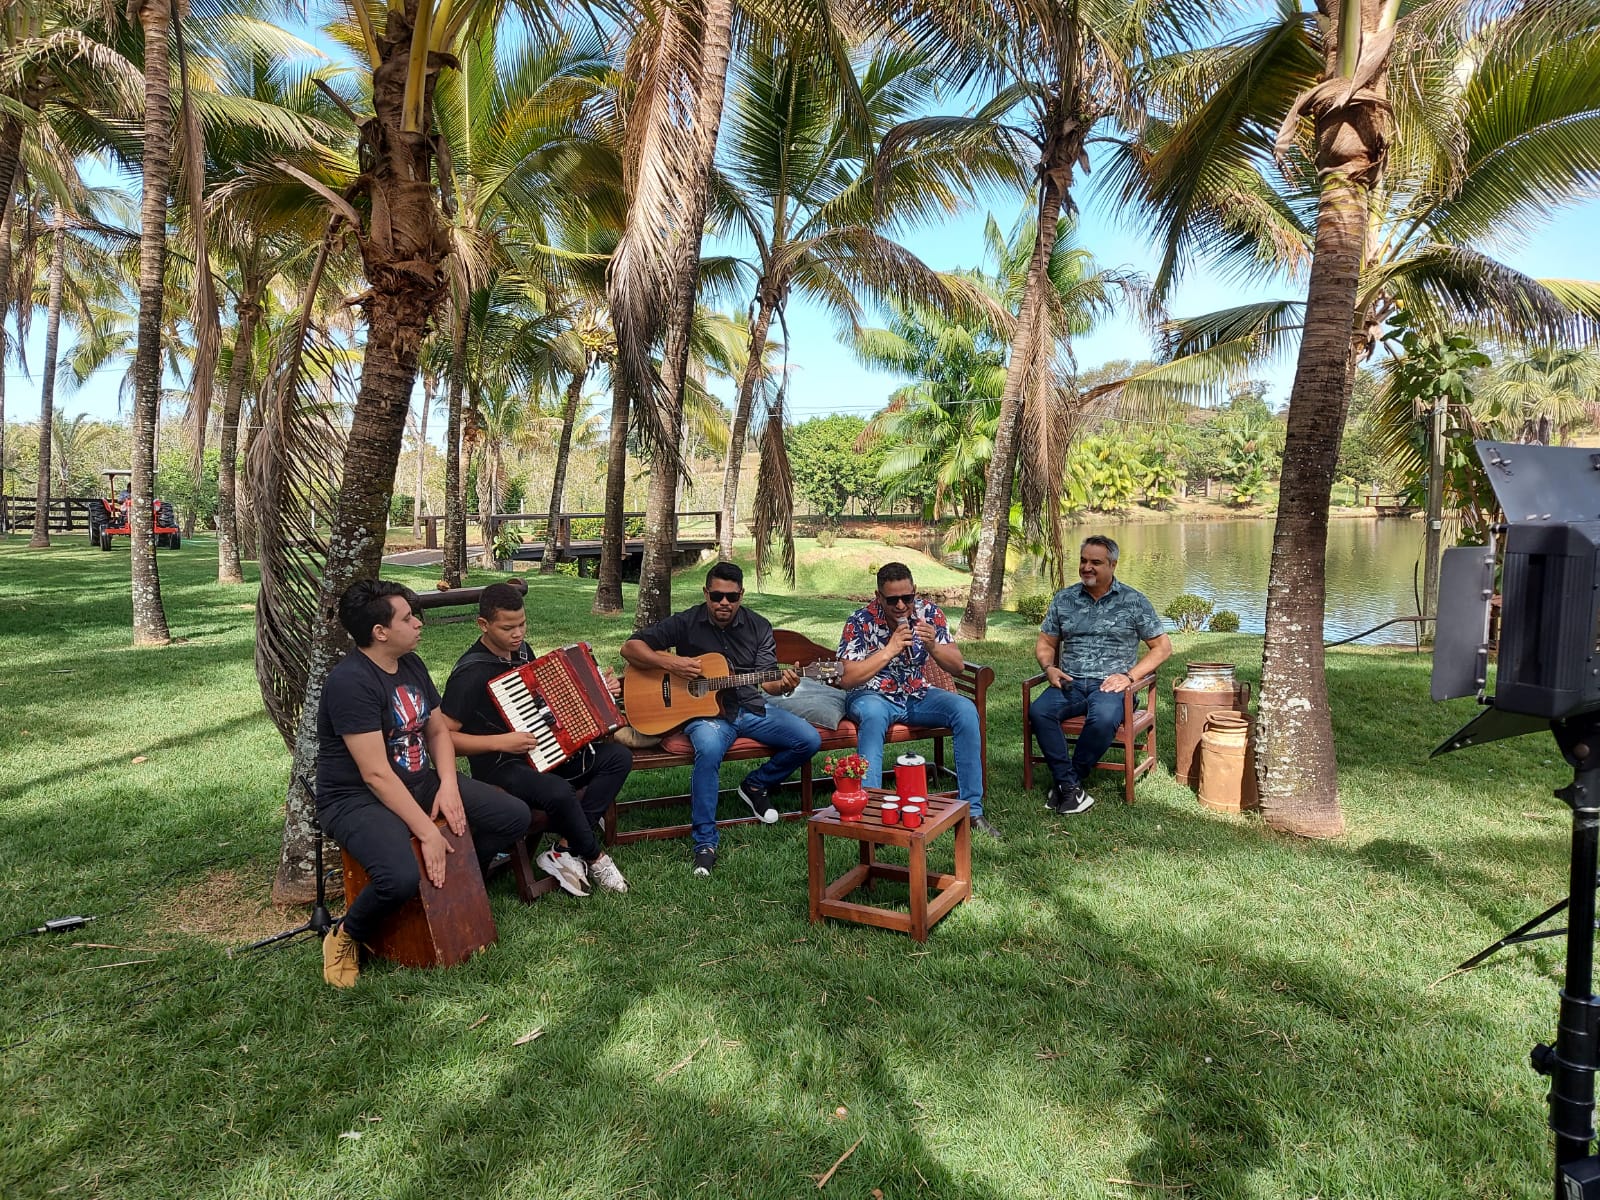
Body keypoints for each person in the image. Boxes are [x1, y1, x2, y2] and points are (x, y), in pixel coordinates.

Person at [315, 579, 530, 988]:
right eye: (408, 618)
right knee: (397, 877)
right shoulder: (351, 682)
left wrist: (448, 785)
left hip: (419, 781)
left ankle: (453, 889)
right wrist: (426, 832)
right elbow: (375, 774)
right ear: (380, 632)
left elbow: (436, 732)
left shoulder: (410, 663)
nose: (418, 624)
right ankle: (346, 934)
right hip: (356, 799)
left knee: (512, 817)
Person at [620, 562, 819, 877]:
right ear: (706, 593)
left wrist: (784, 685)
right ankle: (705, 843)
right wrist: (671, 661)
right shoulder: (687, 622)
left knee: (808, 739)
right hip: (705, 716)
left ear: (741, 595)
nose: (723, 603)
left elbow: (769, 683)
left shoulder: (759, 627)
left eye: (731, 597)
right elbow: (630, 648)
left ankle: (756, 784)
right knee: (710, 750)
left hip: (749, 708)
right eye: (716, 596)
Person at [440, 582, 631, 897]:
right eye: (508, 628)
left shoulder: (523, 651)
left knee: (617, 758)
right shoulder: (469, 673)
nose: (517, 634)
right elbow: (443, 737)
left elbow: (547, 699)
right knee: (559, 790)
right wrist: (502, 742)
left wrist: (600, 687)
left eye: (522, 624)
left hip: (541, 751)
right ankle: (596, 857)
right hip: (500, 765)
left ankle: (566, 848)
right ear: (483, 625)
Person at [836, 563, 997, 838]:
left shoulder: (929, 613)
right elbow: (847, 678)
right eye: (892, 599)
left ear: (915, 592)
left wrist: (934, 645)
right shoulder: (860, 621)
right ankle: (873, 814)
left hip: (916, 693)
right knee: (873, 717)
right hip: (871, 694)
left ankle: (973, 811)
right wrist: (889, 651)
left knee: (965, 710)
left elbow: (957, 666)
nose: (901, 605)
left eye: (907, 598)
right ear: (878, 596)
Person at [1030, 535, 1172, 815]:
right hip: (1069, 682)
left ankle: (1067, 782)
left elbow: (1162, 648)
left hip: (1112, 686)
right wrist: (1049, 667)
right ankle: (1070, 787)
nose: (1087, 567)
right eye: (1083, 560)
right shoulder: (1065, 599)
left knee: (1104, 718)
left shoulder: (1134, 601)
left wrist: (1129, 677)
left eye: (1095, 562)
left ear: (1113, 565)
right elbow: (1046, 643)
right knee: (1039, 712)